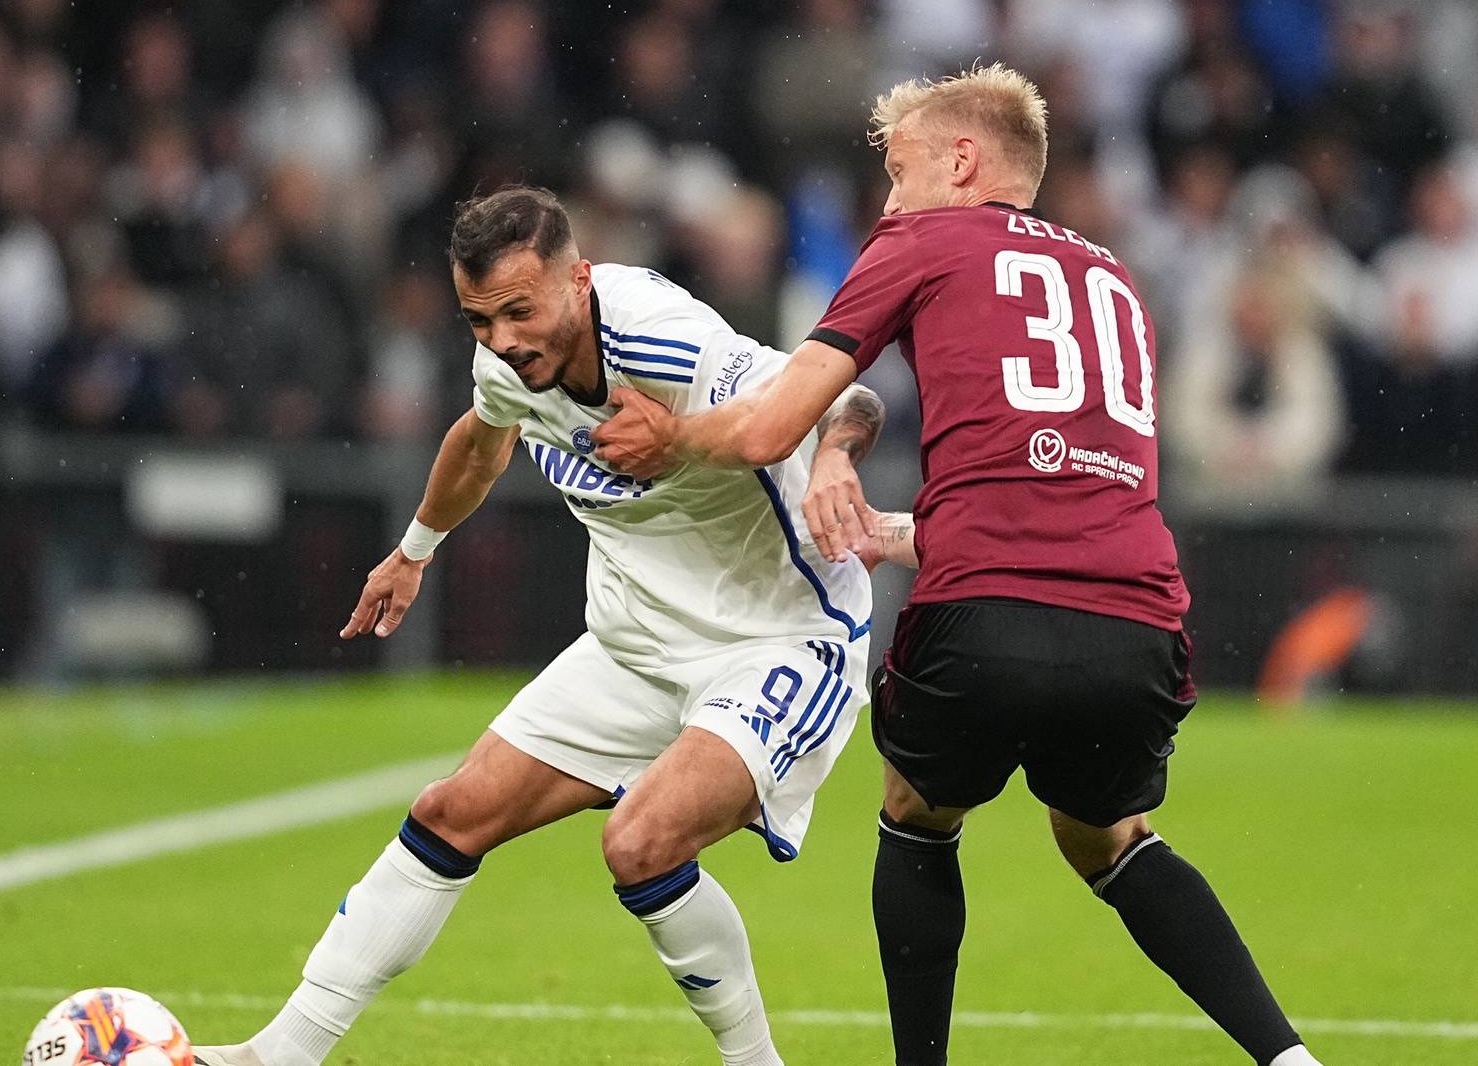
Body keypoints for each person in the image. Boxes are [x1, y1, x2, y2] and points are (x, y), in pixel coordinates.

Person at [593, 64, 1320, 1066]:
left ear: (962, 159)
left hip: (982, 619)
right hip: (1139, 620)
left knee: (915, 810)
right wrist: (891, 529)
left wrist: (668, 438)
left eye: (898, 171)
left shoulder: (922, 239)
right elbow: (1049, 489)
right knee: (1103, 836)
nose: (888, 199)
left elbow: (767, 427)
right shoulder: (1112, 281)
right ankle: (1286, 1058)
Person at [193, 186, 887, 1066]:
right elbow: (481, 441)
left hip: (777, 639)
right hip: (635, 646)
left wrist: (811, 457)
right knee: (449, 813)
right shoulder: (509, 365)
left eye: (519, 311)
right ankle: (278, 1054)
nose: (504, 340)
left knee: (640, 843)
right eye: (480, 321)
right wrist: (414, 550)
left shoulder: (666, 338)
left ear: (579, 279)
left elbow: (844, 397)